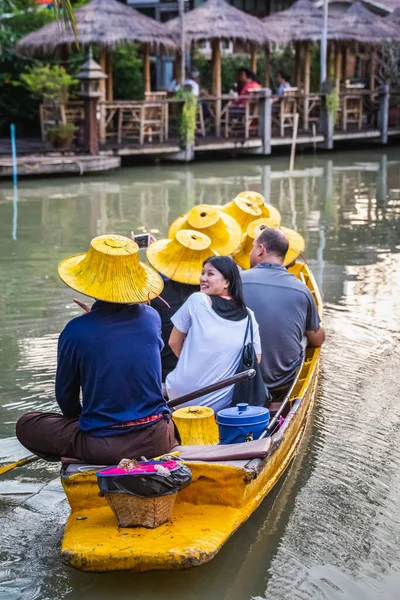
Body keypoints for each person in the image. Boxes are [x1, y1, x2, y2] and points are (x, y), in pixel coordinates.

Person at [16, 234, 179, 465]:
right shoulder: (151, 318)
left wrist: (80, 425)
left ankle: (81, 454)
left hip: (104, 446)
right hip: (159, 437)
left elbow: (66, 397)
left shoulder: (75, 331)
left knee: (27, 423)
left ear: (91, 282)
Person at [166, 255, 261, 412]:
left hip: (180, 396)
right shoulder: (249, 316)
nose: (203, 278)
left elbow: (174, 342)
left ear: (227, 282)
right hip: (221, 403)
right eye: (202, 273)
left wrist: (192, 365)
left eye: (210, 274)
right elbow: (256, 358)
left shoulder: (197, 300)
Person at [241, 228, 325, 395]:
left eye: (252, 247)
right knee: (306, 335)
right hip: (281, 384)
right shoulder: (302, 290)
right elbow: (318, 339)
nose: (250, 252)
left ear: (261, 249)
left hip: (239, 380)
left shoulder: (236, 282)